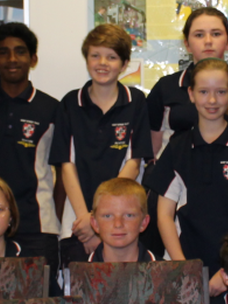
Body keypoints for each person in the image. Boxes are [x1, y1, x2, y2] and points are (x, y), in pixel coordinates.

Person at [146, 58, 228, 295]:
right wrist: (184, 269)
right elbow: (164, 215)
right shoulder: (177, 147)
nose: (212, 100)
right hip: (183, 266)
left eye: (221, 92)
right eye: (204, 92)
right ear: (191, 94)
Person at [51, 24, 152, 265]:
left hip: (121, 222)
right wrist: (89, 221)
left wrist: (103, 219)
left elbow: (134, 164)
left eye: (111, 57)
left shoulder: (136, 101)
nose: (102, 63)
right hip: (79, 222)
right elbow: (66, 166)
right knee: (78, 286)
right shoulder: (70, 103)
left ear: (124, 64)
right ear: (86, 59)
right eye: (95, 55)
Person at [0, 22, 62, 284]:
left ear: (33, 59)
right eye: (3, 52)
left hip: (37, 227)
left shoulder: (52, 109)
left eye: (20, 51)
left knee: (41, 301)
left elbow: (64, 172)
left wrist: (56, 218)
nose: (12, 59)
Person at [82, 178, 161, 304]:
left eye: (129, 215)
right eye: (108, 215)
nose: (118, 224)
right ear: (94, 223)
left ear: (144, 222)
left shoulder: (164, 274)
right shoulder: (78, 277)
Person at [148, 7, 228, 155]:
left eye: (216, 34)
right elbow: (153, 148)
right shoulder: (166, 87)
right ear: (187, 44)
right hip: (176, 167)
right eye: (199, 35)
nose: (208, 41)